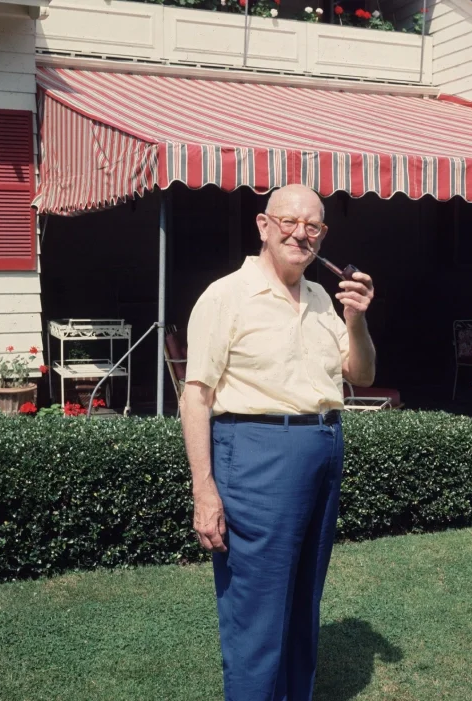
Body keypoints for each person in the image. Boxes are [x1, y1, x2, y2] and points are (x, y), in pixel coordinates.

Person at [180, 184, 376, 701]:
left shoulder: (319, 299)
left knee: (302, 601)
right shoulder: (227, 296)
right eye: (288, 221)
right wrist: (205, 492)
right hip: (256, 456)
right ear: (264, 227)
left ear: (323, 236)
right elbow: (195, 397)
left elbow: (362, 371)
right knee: (257, 612)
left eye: (312, 226)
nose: (300, 233)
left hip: (322, 451)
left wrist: (356, 320)